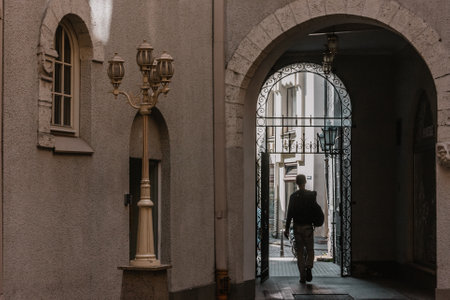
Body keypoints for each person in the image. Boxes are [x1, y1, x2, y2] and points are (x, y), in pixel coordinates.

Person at [284, 174, 321, 283]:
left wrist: (286, 229)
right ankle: (309, 266)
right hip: (308, 227)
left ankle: (302, 277)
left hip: (297, 227)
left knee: (299, 252)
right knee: (310, 250)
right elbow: (315, 210)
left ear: (296, 183)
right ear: (305, 182)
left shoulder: (293, 196)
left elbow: (289, 213)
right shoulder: (311, 195)